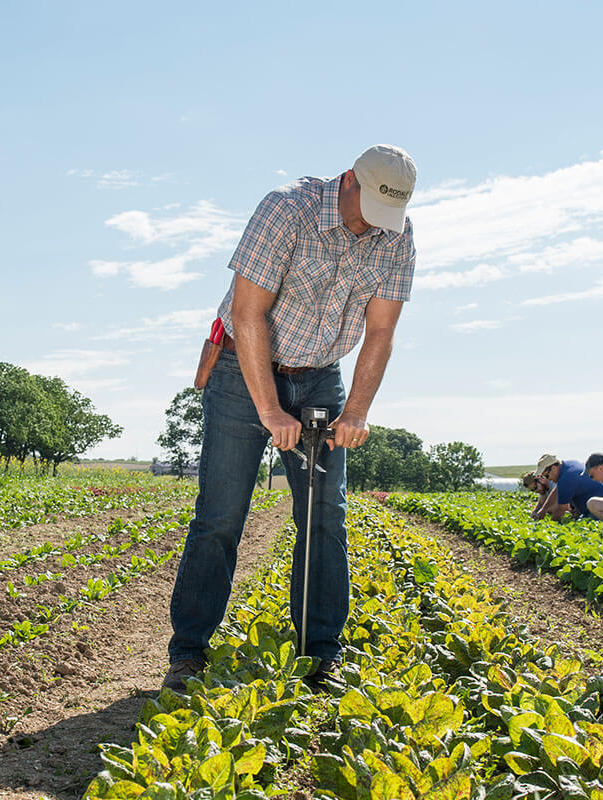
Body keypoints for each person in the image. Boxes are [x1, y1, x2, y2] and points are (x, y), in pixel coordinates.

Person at [163, 145, 418, 693]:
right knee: (221, 514)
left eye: (385, 215)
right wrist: (270, 408)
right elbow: (247, 313)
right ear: (349, 179)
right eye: (367, 207)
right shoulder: (286, 210)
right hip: (241, 369)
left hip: (321, 373)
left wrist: (357, 411)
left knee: (325, 517)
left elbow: (380, 332)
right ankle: (188, 653)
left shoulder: (398, 236)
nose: (370, 225)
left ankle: (321, 654)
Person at [528, 453, 603, 522]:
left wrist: (552, 525)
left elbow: (561, 509)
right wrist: (543, 510)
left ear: (554, 468)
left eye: (546, 476)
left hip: (601, 510)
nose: (548, 479)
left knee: (586, 526)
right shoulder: (568, 465)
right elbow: (556, 491)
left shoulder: (566, 478)